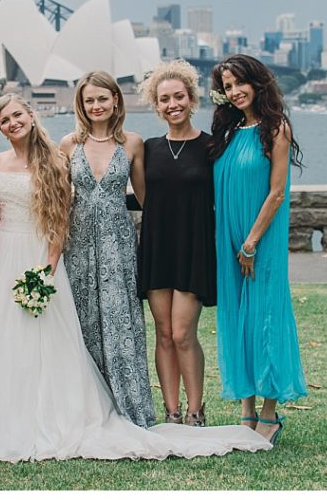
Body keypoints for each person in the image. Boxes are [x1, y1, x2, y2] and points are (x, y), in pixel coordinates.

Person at [0, 93, 271, 462]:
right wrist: (0, 233)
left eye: (18, 115)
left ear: (31, 115)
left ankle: (55, 414)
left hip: (39, 254)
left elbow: (59, 215)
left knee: (44, 337)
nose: (12, 123)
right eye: (4, 120)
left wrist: (49, 263)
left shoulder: (55, 157)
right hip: (2, 252)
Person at [210, 54, 308, 445]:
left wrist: (251, 242)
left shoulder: (275, 128)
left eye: (239, 83)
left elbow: (277, 192)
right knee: (237, 320)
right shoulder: (230, 131)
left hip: (258, 241)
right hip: (228, 240)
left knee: (265, 319)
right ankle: (246, 411)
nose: (234, 92)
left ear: (256, 82)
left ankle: (270, 414)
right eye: (227, 86)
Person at [59, 71, 154, 428]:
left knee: (120, 323)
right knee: (82, 323)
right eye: (89, 100)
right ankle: (86, 411)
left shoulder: (132, 143)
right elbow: (55, 198)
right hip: (78, 242)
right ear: (81, 106)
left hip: (118, 243)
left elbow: (145, 199)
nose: (96, 106)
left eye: (103, 98)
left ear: (116, 100)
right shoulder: (68, 144)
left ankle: (129, 408)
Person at [137, 60, 216, 427]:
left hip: (193, 249)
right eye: (164, 99)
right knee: (164, 334)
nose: (173, 104)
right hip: (156, 247)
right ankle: (170, 411)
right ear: (156, 105)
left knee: (184, 333)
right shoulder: (149, 148)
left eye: (179, 97)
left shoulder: (212, 147)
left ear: (191, 98)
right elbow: (137, 194)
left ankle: (195, 409)